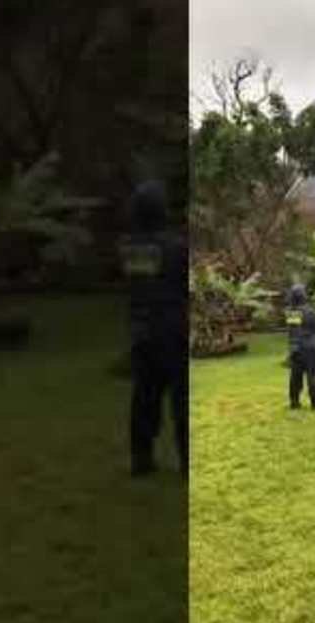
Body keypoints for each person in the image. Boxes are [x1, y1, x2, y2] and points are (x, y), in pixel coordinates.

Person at [122, 180, 189, 478]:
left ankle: (141, 458)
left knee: (144, 397)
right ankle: (187, 461)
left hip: (143, 332)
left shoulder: (131, 249)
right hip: (173, 331)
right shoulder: (176, 247)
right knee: (181, 399)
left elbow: (140, 290)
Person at [285, 283, 315, 410]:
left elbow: (292, 332)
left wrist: (293, 346)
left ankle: (294, 402)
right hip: (311, 347)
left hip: (296, 347)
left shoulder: (293, 313)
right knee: (313, 375)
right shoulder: (311, 312)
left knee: (295, 376)